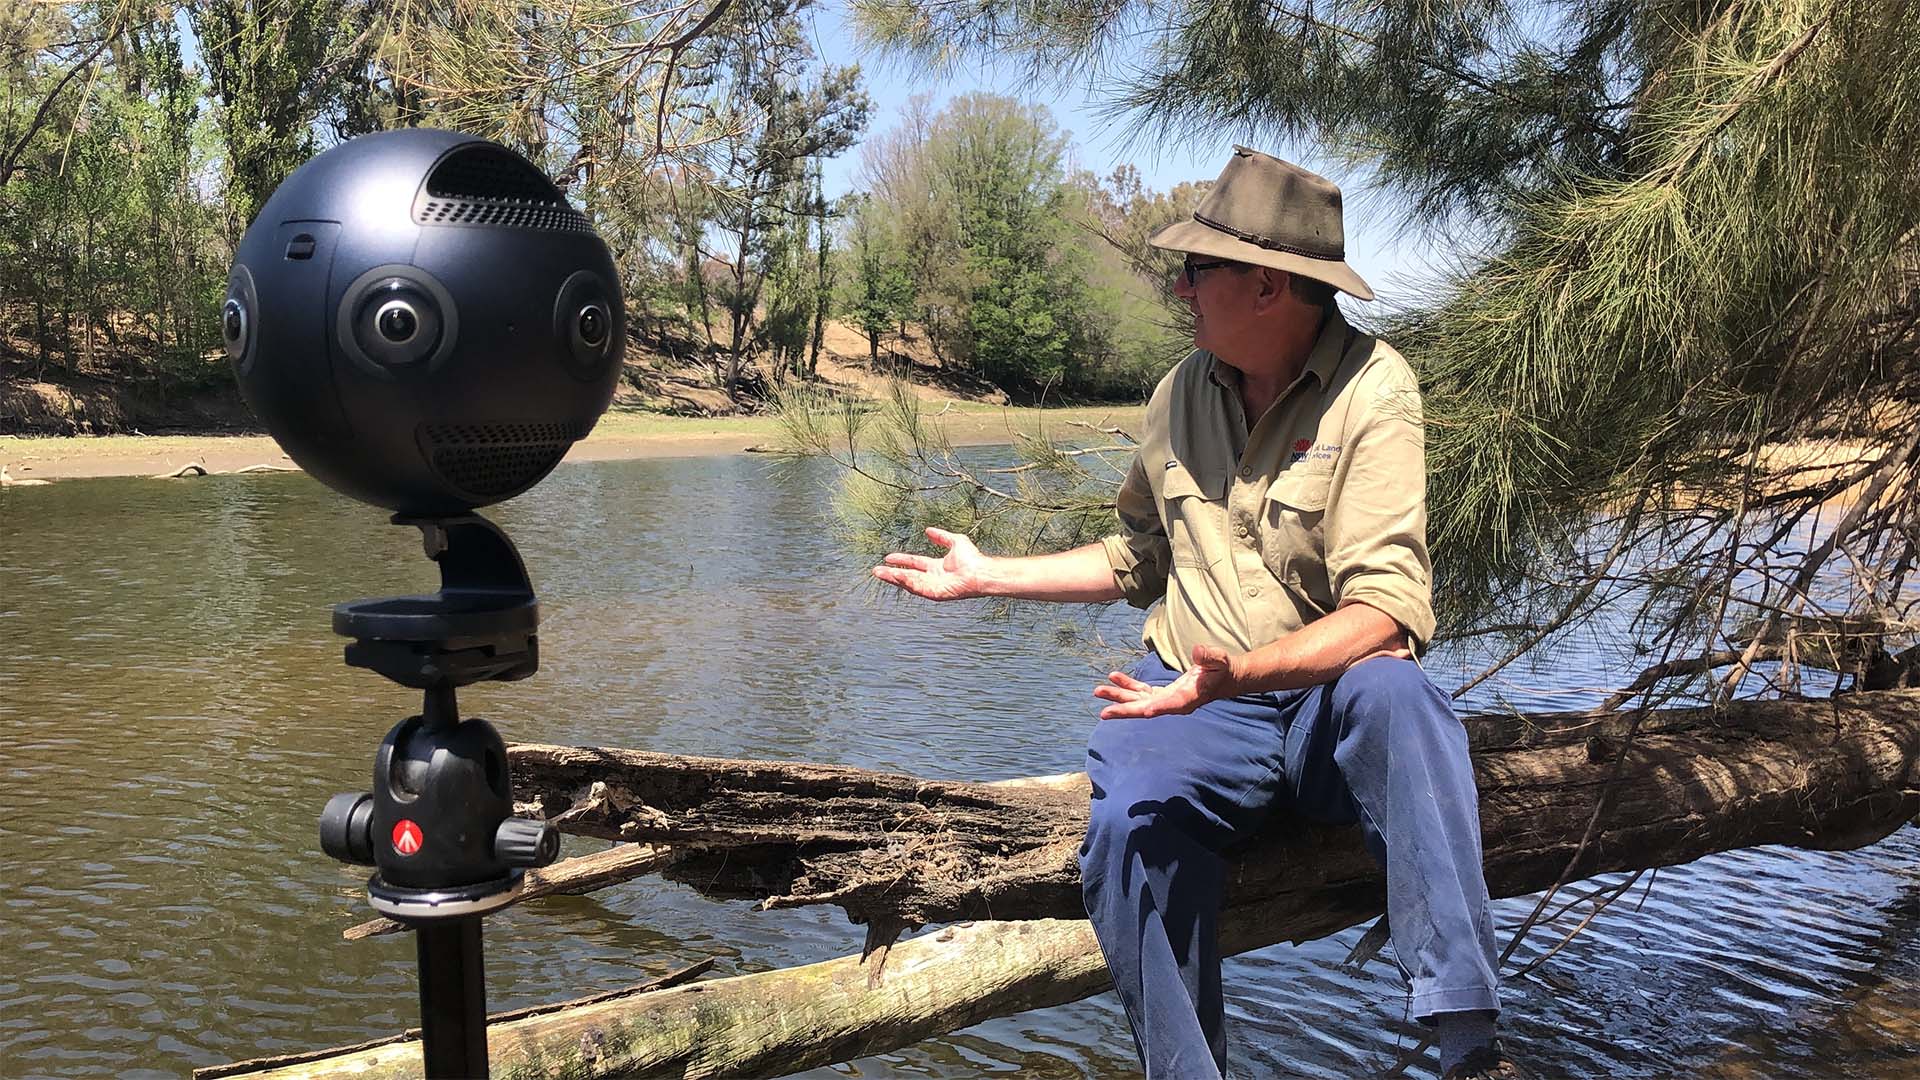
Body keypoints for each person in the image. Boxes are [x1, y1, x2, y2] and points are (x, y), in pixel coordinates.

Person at [872, 146, 1516, 1079]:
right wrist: (985, 576)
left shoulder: (1375, 388)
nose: (1180, 288)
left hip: (1327, 702)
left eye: (1196, 268)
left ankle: (1468, 1043)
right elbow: (1138, 556)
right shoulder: (1179, 392)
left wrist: (1244, 672)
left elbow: (1385, 611)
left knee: (1402, 699)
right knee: (1128, 823)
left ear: (1267, 285)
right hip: (1195, 702)